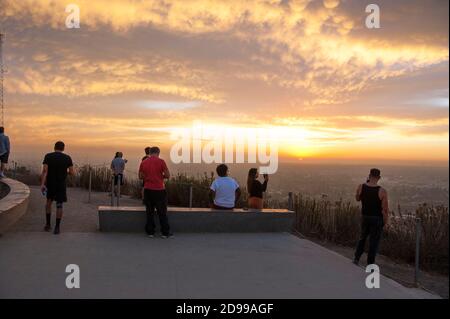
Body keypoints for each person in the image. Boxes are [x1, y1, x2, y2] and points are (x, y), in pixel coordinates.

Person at [353, 168, 389, 266]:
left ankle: (356, 258)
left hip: (365, 216)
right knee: (374, 242)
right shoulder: (382, 191)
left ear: (369, 175)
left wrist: (360, 190)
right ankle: (370, 263)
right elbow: (385, 209)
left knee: (362, 238)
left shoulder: (361, 187)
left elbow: (357, 198)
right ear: (379, 178)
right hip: (377, 219)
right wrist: (385, 221)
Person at [40, 141, 74, 234]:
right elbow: (72, 173)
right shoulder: (67, 158)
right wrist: (64, 172)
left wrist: (42, 184)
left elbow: (44, 171)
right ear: (63, 148)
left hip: (50, 184)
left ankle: (47, 225)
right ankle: (57, 227)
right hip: (61, 185)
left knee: (48, 203)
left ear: (54, 147)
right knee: (59, 205)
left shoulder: (48, 156)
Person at [139, 146, 173, 238]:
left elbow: (140, 176)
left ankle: (150, 232)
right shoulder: (161, 162)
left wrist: (148, 177)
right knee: (162, 212)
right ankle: (165, 233)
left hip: (147, 190)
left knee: (149, 212)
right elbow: (167, 175)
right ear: (158, 153)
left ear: (150, 153)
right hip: (159, 190)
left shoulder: (144, 162)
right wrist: (160, 176)